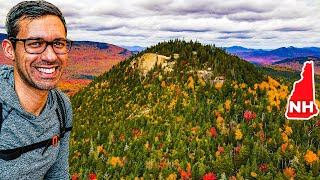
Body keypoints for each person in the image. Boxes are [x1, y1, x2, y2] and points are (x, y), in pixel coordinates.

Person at [0, 1, 72, 179]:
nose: (50, 56)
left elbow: (58, 174)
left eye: (59, 43)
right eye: (34, 43)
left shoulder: (62, 106)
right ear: (10, 50)